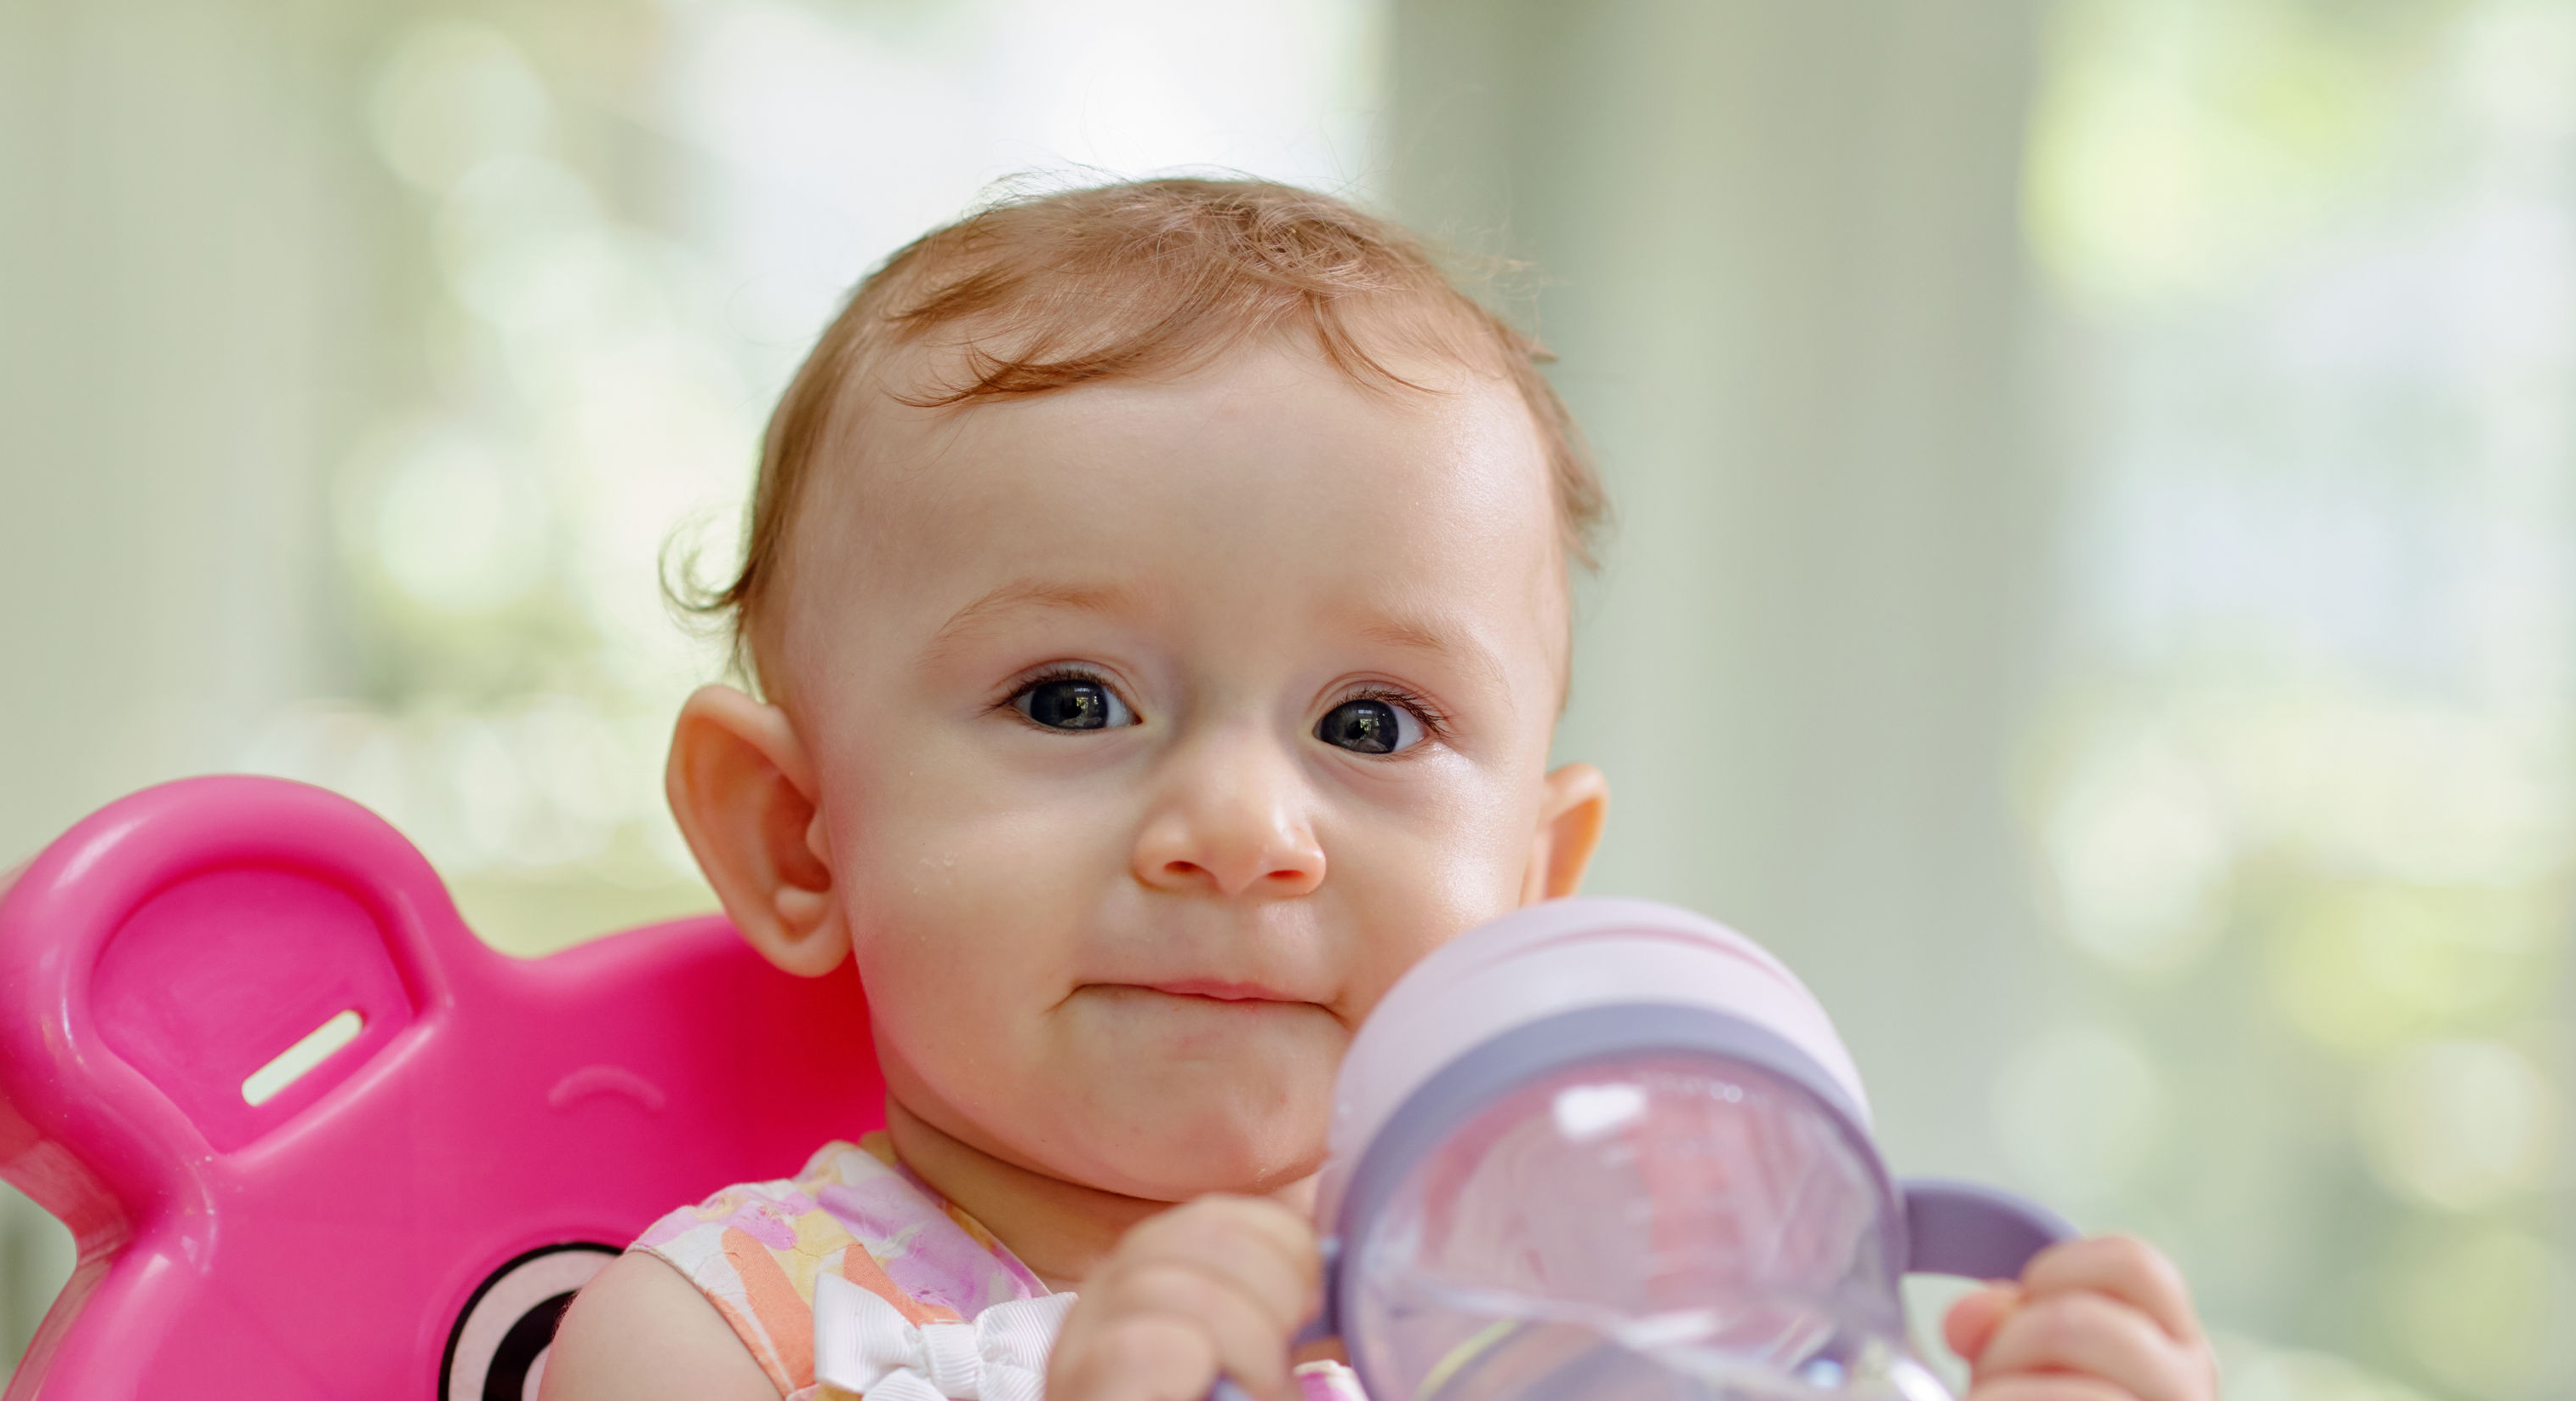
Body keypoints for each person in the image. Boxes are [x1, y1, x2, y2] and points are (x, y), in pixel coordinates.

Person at [540, 177, 2216, 1401]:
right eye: (1071, 697)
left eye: (1370, 724)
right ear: (794, 832)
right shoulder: (708, 1335)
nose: (1244, 832)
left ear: (1529, 890)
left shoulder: (1601, 1318)